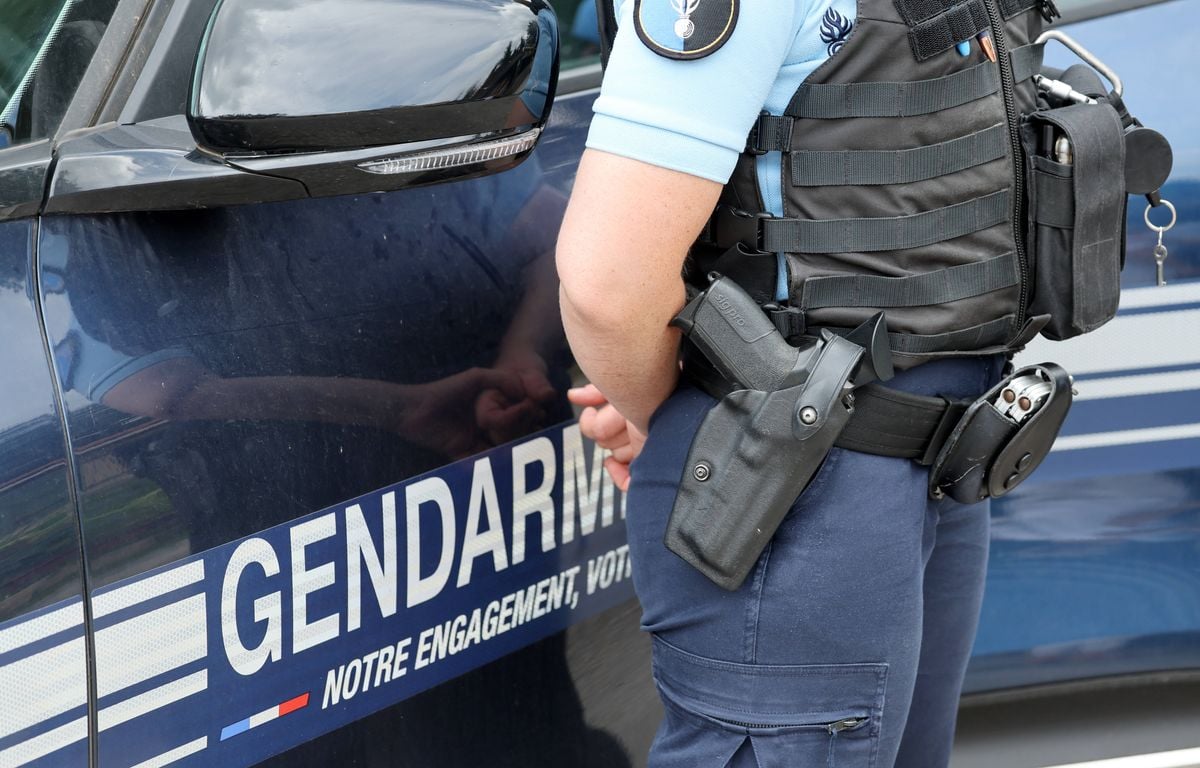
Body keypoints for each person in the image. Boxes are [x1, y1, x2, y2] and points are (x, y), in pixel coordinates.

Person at [556, 0, 1046, 764]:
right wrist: (680, 417)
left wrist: (662, 410)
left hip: (931, 461)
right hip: (793, 477)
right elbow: (607, 287)